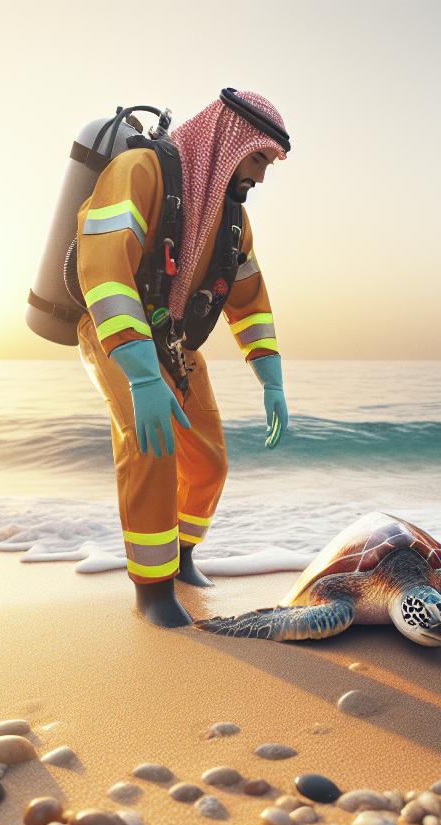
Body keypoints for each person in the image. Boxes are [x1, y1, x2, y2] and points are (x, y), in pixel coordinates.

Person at [75, 89, 291, 627]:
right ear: (230, 141)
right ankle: (151, 590)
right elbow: (104, 272)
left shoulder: (233, 219)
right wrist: (143, 376)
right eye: (259, 158)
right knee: (152, 448)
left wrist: (271, 377)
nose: (261, 176)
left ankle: (180, 557)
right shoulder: (139, 170)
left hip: (172, 341)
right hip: (112, 330)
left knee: (210, 459)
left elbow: (249, 300)